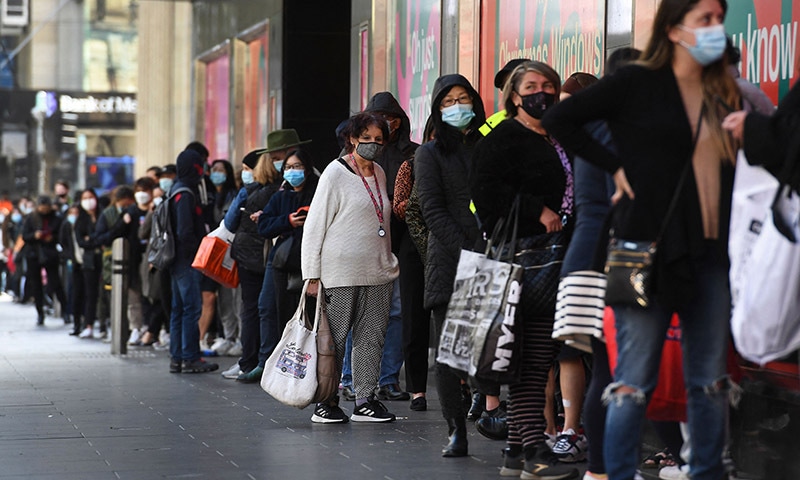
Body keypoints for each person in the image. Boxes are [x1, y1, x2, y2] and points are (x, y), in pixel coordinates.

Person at [543, 1, 740, 478]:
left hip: (710, 251)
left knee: (711, 382)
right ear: (674, 29)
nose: (717, 28)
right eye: (706, 19)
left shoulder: (721, 88)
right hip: (644, 249)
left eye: (720, 18)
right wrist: (614, 166)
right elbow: (561, 120)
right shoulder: (637, 82)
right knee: (631, 380)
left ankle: (707, 471)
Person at [469, 61, 579, 480]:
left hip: (555, 256)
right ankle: (534, 451)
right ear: (514, 96)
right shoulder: (501, 139)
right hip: (524, 261)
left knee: (536, 356)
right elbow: (487, 195)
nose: (542, 93)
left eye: (548, 85)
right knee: (531, 362)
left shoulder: (557, 137)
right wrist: (539, 210)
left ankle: (516, 449)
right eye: (531, 86)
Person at [302, 111, 399, 424]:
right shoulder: (335, 172)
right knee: (336, 341)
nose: (372, 144)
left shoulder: (381, 173)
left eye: (378, 140)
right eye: (366, 138)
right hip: (339, 273)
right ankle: (326, 402)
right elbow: (314, 226)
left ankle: (365, 400)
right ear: (352, 139)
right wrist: (311, 275)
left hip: (378, 271)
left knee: (372, 338)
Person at [415, 73, 486, 456]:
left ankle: (490, 407)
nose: (458, 106)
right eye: (448, 101)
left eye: (463, 98)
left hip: (492, 255)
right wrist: (467, 247)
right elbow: (431, 210)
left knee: (488, 342)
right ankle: (455, 429)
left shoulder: (489, 145)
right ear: (438, 110)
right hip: (450, 260)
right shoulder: (428, 154)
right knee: (449, 350)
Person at [339, 92, 417, 405]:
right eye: (378, 118)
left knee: (395, 313)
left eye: (392, 117)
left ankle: (387, 379)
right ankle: (349, 378)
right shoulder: (346, 164)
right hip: (360, 248)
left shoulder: (411, 153)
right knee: (355, 315)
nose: (386, 124)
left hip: (399, 244)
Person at [222, 150, 280, 382]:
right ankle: (267, 359)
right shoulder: (283, 189)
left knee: (250, 308)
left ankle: (248, 361)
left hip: (248, 255)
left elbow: (229, 222)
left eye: (247, 169)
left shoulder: (249, 192)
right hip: (274, 255)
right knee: (270, 309)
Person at [167, 149, 219, 374]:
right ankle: (190, 357)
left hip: (175, 260)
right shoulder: (186, 193)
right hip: (186, 260)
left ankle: (177, 357)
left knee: (178, 309)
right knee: (191, 308)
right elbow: (185, 231)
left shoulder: (175, 189)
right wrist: (194, 256)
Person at [257, 148, 319, 328]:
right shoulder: (280, 197)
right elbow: (264, 226)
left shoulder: (318, 193)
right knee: (275, 311)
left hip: (310, 263)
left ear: (307, 169)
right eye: (288, 167)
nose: (292, 171)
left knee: (308, 315)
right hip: (283, 261)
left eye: (297, 166)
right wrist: (287, 221)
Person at [206, 159, 242, 356]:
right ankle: (228, 336)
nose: (216, 173)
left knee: (234, 296)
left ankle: (238, 339)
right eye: (214, 169)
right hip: (215, 251)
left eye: (220, 170)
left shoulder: (233, 195)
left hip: (229, 249)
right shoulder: (209, 194)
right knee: (224, 299)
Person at [21, 196, 67, 325]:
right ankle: (40, 312)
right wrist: (35, 236)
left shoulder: (56, 219)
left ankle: (65, 311)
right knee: (36, 285)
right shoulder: (31, 218)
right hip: (34, 255)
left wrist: (51, 238)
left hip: (50, 254)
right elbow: (25, 236)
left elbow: (61, 236)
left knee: (56, 282)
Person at [75, 189, 103, 338]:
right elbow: (81, 242)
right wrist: (96, 241)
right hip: (89, 262)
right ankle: (89, 324)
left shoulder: (103, 215)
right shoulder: (81, 220)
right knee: (90, 294)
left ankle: (104, 325)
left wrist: (90, 239)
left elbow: (105, 235)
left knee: (106, 294)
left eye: (90, 197)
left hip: (104, 259)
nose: (88, 201)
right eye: (84, 198)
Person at [59, 204, 84, 336]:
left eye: (76, 212)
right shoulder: (66, 225)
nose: (74, 215)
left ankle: (85, 322)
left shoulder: (84, 224)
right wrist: (69, 256)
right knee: (74, 292)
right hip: (73, 263)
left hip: (86, 263)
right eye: (71, 212)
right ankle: (76, 322)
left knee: (86, 293)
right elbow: (63, 242)